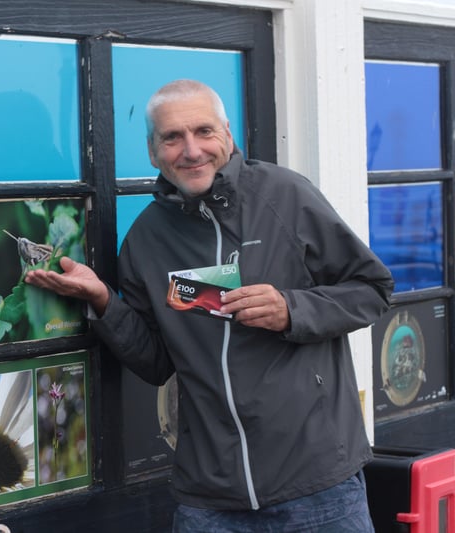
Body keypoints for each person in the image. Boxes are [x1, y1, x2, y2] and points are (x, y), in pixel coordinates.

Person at [25, 79, 394, 532]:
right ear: (152, 150)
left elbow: (371, 288)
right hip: (210, 499)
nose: (191, 150)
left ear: (228, 135)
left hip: (317, 486)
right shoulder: (145, 239)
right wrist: (103, 302)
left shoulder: (285, 196)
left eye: (203, 131)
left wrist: (293, 309)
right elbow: (157, 361)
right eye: (172, 137)